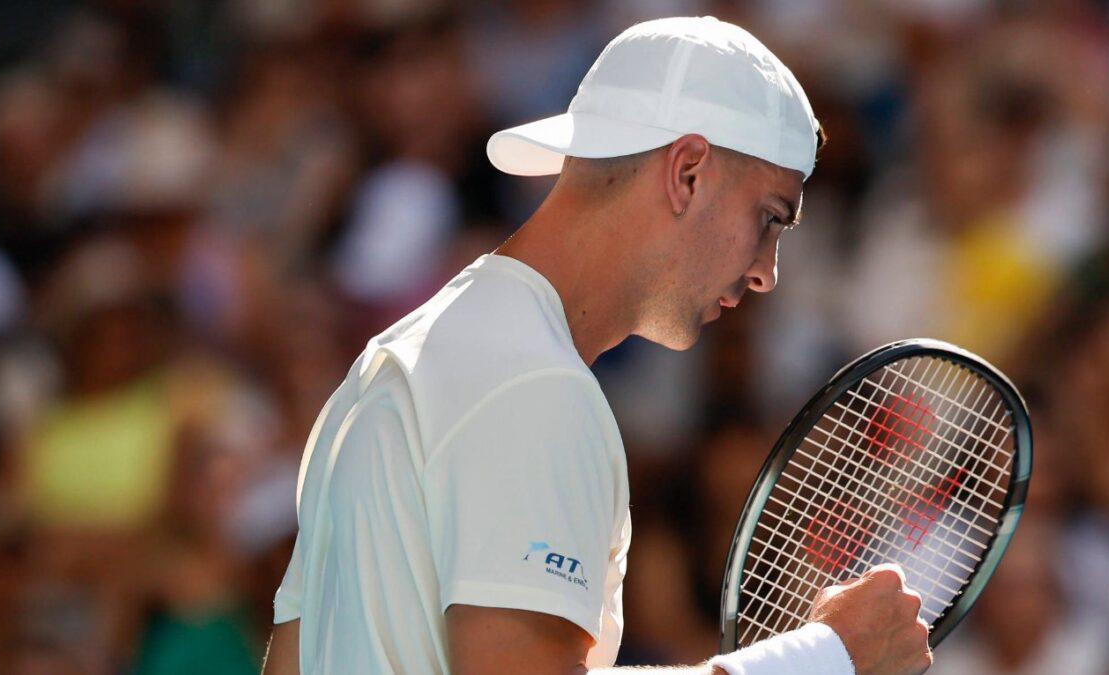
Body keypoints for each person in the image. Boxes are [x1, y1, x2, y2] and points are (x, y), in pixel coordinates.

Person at [260, 17, 932, 675]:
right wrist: (820, 660)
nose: (766, 271)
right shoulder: (534, 386)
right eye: (770, 218)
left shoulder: (388, 363)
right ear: (689, 171)